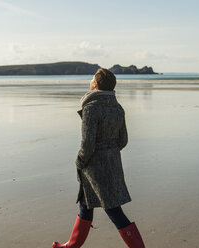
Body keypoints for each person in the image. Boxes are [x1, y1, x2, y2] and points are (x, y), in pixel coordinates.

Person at [52, 68, 146, 248]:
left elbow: (88, 144)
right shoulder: (117, 108)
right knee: (85, 204)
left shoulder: (91, 108)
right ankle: (71, 245)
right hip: (112, 163)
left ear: (95, 84)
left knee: (113, 210)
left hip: (94, 167)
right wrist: (109, 153)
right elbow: (123, 140)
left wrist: (79, 161)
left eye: (93, 78)